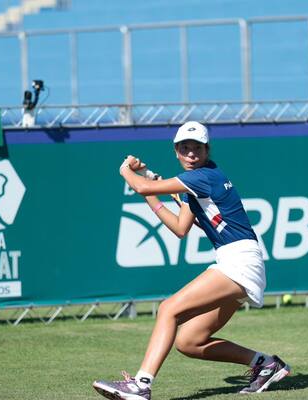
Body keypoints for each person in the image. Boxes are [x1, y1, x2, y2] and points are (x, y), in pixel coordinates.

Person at [92, 121, 290, 400]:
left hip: (239, 260)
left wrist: (126, 169)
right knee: (189, 342)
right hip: (237, 259)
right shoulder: (197, 183)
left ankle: (141, 385)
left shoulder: (201, 177)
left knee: (169, 309)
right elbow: (180, 228)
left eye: (197, 148)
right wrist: (151, 185)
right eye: (185, 147)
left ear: (207, 150)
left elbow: (141, 188)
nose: (191, 153)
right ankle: (266, 364)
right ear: (176, 151)